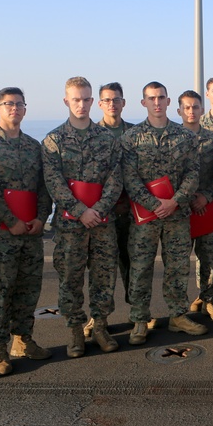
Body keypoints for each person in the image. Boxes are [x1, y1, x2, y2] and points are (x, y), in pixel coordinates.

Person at [0, 87, 53, 376]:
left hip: (30, 232)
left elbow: (44, 187)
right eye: (8, 104)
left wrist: (42, 218)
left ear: (25, 109)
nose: (14, 109)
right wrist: (10, 220)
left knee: (29, 289)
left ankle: (23, 339)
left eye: (19, 104)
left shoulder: (34, 147)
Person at [42, 76, 123, 357]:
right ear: (66, 101)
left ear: (93, 101)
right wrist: (81, 212)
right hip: (70, 225)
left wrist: (97, 211)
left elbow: (116, 178)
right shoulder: (53, 141)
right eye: (76, 99)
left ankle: (100, 325)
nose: (82, 104)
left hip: (102, 223)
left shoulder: (106, 139)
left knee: (104, 278)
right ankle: (75, 331)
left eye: (87, 99)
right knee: (70, 279)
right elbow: (54, 183)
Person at [122, 82, 204, 343]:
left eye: (161, 98)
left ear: (169, 102)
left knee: (178, 267)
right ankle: (139, 319)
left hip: (176, 215)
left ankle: (178, 316)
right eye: (151, 98)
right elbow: (129, 178)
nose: (156, 103)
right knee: (140, 267)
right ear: (143, 103)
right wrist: (153, 203)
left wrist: (175, 201)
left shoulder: (186, 137)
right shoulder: (131, 138)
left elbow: (193, 173)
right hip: (145, 217)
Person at [179, 89, 213, 321]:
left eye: (195, 107)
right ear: (179, 110)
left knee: (208, 258)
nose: (191, 111)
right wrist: (186, 198)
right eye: (186, 107)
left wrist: (205, 196)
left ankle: (209, 300)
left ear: (201, 109)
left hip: (207, 207)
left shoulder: (212, 140)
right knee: (178, 261)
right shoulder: (172, 139)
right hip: (180, 211)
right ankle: (177, 308)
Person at [96, 82, 135, 310]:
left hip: (132, 210)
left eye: (116, 99)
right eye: (108, 100)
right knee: (103, 266)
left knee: (134, 263)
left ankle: (137, 310)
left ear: (123, 103)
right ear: (100, 104)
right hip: (103, 212)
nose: (112, 104)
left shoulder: (135, 133)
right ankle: (100, 317)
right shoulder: (93, 134)